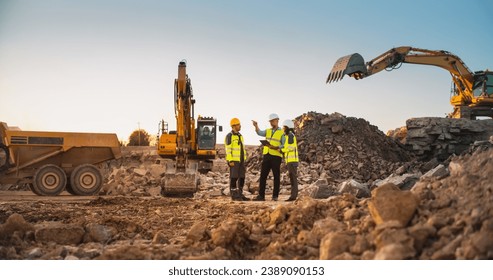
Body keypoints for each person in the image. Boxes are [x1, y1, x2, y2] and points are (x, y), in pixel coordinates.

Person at [252, 113, 285, 201]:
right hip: (267, 155)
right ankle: (261, 196)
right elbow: (259, 132)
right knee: (263, 176)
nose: (271, 123)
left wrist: (276, 147)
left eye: (272, 121)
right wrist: (256, 126)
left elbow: (284, 144)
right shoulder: (268, 131)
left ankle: (275, 196)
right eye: (270, 121)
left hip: (276, 156)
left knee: (276, 176)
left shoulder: (282, 132)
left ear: (277, 120)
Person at [224, 117, 249, 201]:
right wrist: (230, 160)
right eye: (238, 124)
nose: (240, 126)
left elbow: (242, 148)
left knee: (242, 177)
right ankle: (234, 195)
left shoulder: (240, 136)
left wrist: (244, 159)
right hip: (234, 160)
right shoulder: (229, 136)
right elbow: (228, 149)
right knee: (234, 177)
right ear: (234, 126)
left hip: (241, 160)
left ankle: (240, 194)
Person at [280, 119, 299, 201]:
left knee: (293, 178)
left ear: (287, 127)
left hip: (292, 161)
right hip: (290, 161)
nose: (283, 129)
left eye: (284, 127)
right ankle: (293, 196)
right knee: (292, 178)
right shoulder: (289, 136)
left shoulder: (290, 135)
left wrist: (282, 150)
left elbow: (291, 147)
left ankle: (293, 196)